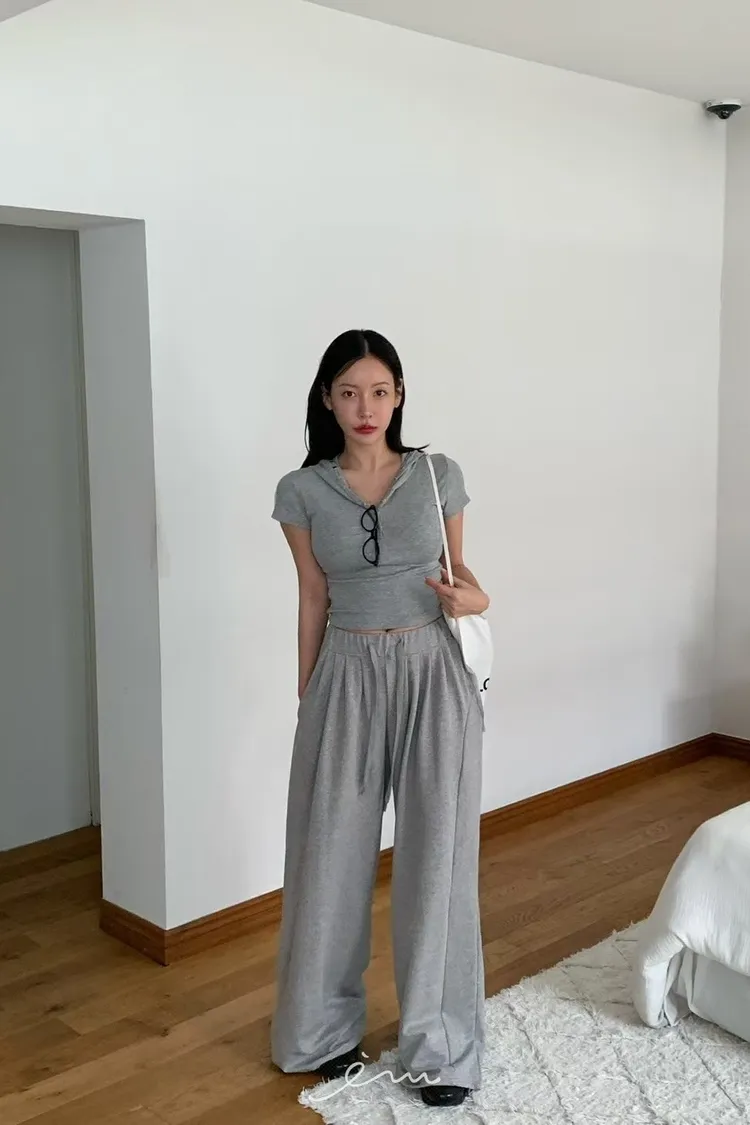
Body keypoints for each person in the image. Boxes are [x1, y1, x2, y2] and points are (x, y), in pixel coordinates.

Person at [270, 329, 489, 1108]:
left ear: (399, 396)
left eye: (381, 390)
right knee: (329, 857)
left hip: (435, 669)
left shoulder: (437, 474)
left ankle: (441, 1046)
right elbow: (312, 595)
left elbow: (463, 575)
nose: (366, 406)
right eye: (350, 391)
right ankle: (321, 1031)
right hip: (346, 672)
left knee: (439, 860)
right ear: (327, 399)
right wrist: (309, 694)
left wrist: (478, 597)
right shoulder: (302, 490)